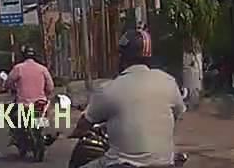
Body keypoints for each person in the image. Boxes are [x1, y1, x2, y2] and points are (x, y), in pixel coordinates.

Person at [70, 28, 186, 168]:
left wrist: (74, 134)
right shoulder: (168, 81)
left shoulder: (109, 89)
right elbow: (177, 113)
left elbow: (84, 124)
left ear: (122, 57)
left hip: (121, 164)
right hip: (165, 164)